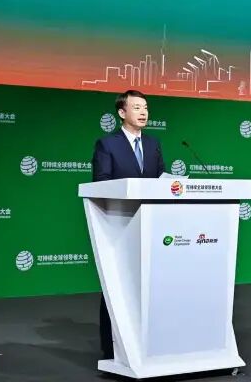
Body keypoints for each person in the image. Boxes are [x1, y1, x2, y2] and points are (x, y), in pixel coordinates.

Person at [91, 89, 165, 360]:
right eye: (136, 107)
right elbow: (101, 184)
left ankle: (147, 342)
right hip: (120, 226)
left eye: (145, 107)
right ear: (122, 113)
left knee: (149, 285)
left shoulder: (153, 144)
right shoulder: (107, 144)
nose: (143, 112)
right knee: (117, 285)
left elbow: (160, 181)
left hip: (151, 226)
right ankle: (112, 347)